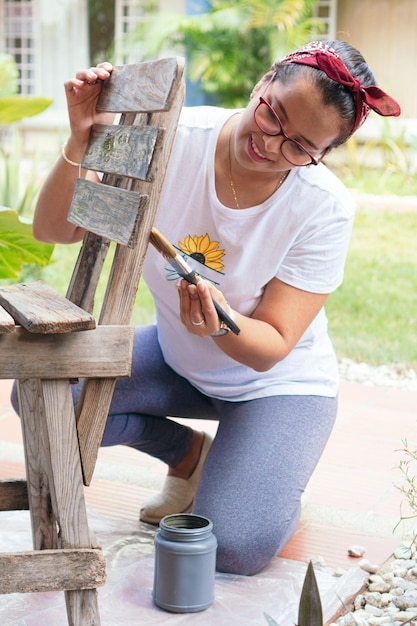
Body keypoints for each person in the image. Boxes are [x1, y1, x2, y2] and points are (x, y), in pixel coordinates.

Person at [20, 40, 400, 576]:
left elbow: (270, 347)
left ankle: (264, 473)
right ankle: (191, 456)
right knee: (45, 397)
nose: (270, 145)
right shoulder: (172, 140)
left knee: (236, 546)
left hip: (276, 386)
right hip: (179, 359)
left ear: (322, 154)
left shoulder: (324, 207)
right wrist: (83, 137)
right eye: (274, 114)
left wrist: (221, 326)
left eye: (299, 146)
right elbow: (53, 229)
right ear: (264, 82)